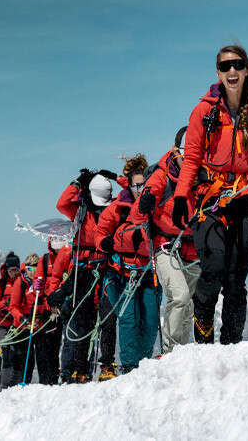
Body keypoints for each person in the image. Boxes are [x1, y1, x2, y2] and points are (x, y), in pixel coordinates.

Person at [172, 44, 248, 344]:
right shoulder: (203, 112)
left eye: (237, 65)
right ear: (218, 73)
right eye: (225, 66)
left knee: (236, 279)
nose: (232, 71)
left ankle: (231, 344)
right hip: (211, 202)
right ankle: (204, 341)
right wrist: (180, 197)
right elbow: (192, 158)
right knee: (212, 270)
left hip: (247, 202)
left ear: (247, 68)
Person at [131, 129, 201, 353]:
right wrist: (148, 199)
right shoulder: (162, 174)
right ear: (175, 152)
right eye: (185, 155)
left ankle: (183, 350)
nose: (189, 160)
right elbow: (144, 201)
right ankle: (172, 351)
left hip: (192, 249)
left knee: (188, 303)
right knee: (179, 296)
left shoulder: (203, 173)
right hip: (166, 247)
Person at [96, 154, 160, 373]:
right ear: (130, 186)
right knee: (129, 319)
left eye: (144, 185)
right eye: (136, 186)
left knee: (151, 319)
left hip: (149, 271)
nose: (140, 189)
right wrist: (104, 242)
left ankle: (144, 362)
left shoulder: (154, 203)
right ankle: (131, 366)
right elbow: (102, 231)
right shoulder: (119, 207)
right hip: (124, 273)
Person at [50, 170, 115, 382]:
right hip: (84, 269)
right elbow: (61, 203)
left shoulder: (110, 207)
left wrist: (114, 176)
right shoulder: (81, 211)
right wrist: (76, 183)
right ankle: (81, 369)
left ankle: (104, 363)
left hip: (104, 266)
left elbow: (132, 194)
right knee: (83, 320)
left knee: (105, 318)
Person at [9, 253, 59, 384]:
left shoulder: (42, 282)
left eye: (36, 269)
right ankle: (24, 382)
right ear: (25, 269)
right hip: (23, 325)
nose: (32, 272)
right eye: (30, 269)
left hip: (39, 323)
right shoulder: (20, 283)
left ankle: (45, 383)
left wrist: (51, 310)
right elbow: (13, 307)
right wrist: (22, 320)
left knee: (43, 355)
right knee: (26, 357)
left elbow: (47, 298)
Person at [0, 252, 21, 395]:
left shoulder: (22, 282)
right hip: (2, 324)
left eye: (16, 269)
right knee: (7, 350)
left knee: (18, 351)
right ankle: (5, 386)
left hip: (17, 323)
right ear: (6, 270)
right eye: (11, 270)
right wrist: (6, 303)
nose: (14, 273)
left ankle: (17, 382)